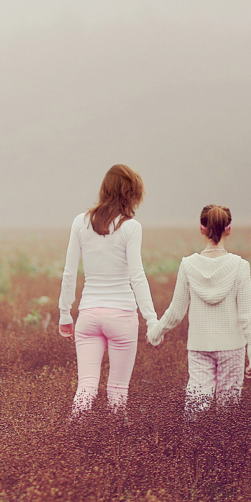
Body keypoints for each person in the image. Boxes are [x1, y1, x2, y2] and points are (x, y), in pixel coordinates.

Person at [58, 164, 158, 415]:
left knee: (86, 386)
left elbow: (69, 271)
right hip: (121, 315)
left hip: (88, 316)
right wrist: (151, 319)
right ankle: (116, 445)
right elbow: (137, 276)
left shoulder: (80, 223)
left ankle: (73, 441)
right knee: (117, 389)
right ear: (132, 193)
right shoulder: (131, 227)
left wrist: (64, 313)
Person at [147, 204, 251, 413]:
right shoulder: (239, 266)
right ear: (229, 229)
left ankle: (193, 445)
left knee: (196, 408)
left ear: (202, 229)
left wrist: (155, 332)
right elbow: (247, 315)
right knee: (228, 412)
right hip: (232, 347)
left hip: (198, 346)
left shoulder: (188, 265)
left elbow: (176, 311)